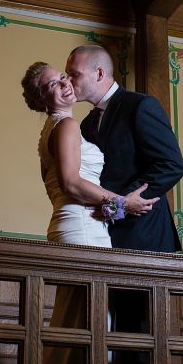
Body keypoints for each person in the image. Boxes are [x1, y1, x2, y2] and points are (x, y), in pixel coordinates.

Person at [20, 61, 158, 248]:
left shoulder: (48, 131)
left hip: (71, 224)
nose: (64, 83)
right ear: (42, 100)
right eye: (52, 84)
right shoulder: (67, 125)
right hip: (82, 228)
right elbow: (70, 184)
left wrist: (114, 210)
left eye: (61, 77)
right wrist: (122, 204)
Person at [64, 44, 183, 254]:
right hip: (103, 236)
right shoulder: (85, 123)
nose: (68, 81)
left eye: (74, 74)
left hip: (145, 237)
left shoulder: (140, 106)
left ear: (99, 73)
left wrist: (116, 206)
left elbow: (171, 165)